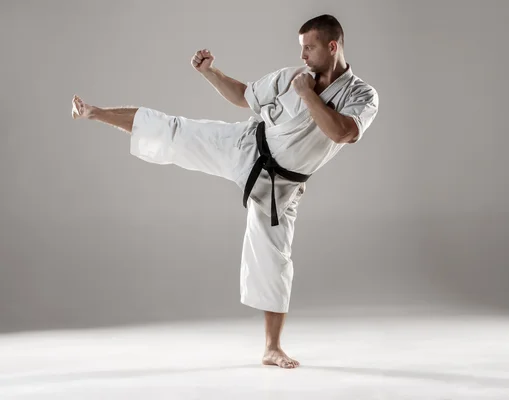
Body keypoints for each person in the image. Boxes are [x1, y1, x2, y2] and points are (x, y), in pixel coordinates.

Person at [71, 14, 379, 369]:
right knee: (176, 130)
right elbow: (245, 96)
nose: (304, 56)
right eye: (301, 48)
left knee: (274, 259)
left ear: (332, 46)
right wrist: (210, 73)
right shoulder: (291, 77)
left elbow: (343, 133)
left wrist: (308, 96)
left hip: (282, 185)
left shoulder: (361, 94)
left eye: (309, 48)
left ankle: (272, 347)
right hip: (247, 144)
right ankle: (95, 112)